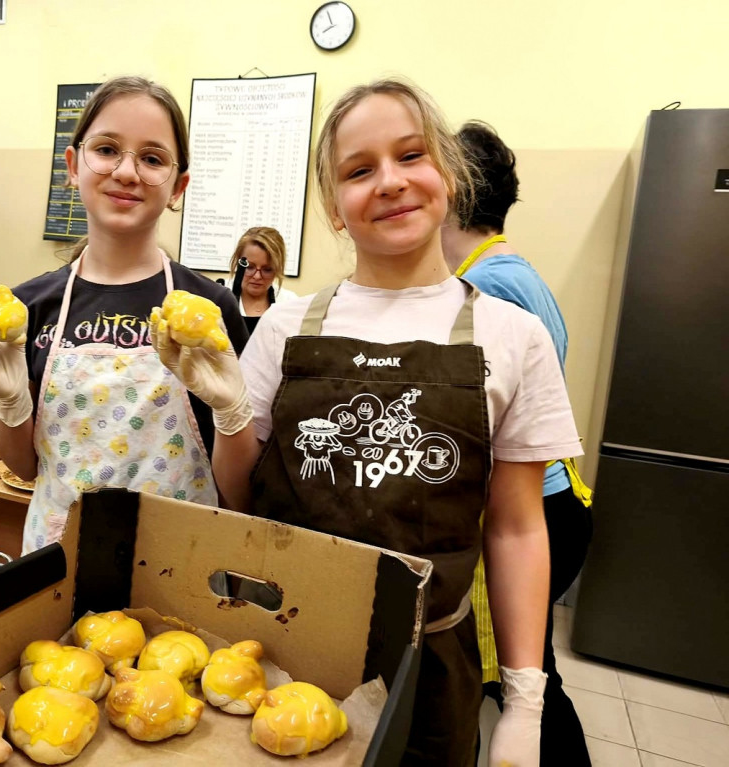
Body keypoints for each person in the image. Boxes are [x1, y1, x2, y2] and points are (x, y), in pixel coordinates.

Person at [152, 78, 582, 766]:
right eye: (359, 169)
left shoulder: (512, 335)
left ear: (447, 172)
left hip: (431, 669)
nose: (390, 181)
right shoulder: (290, 324)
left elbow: (517, 526)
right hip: (278, 651)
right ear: (333, 207)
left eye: (411, 155)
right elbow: (239, 500)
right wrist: (230, 411)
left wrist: (527, 700)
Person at [0, 76, 248, 555]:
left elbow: (239, 491)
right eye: (108, 149)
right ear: (73, 166)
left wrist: (233, 414)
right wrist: (11, 404)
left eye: (152, 159)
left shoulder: (209, 312)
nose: (128, 172)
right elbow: (25, 467)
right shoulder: (30, 306)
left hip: (183, 567)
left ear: (179, 186)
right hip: (59, 560)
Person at [442, 120, 594, 766]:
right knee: (527, 673)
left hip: (528, 511)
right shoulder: (517, 270)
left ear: (451, 193)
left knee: (524, 681)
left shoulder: (490, 288)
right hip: (556, 503)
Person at [225, 226, 297, 334]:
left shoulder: (290, 303)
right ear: (238, 262)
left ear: (277, 269)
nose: (257, 276)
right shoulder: (220, 297)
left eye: (267, 270)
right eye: (249, 267)